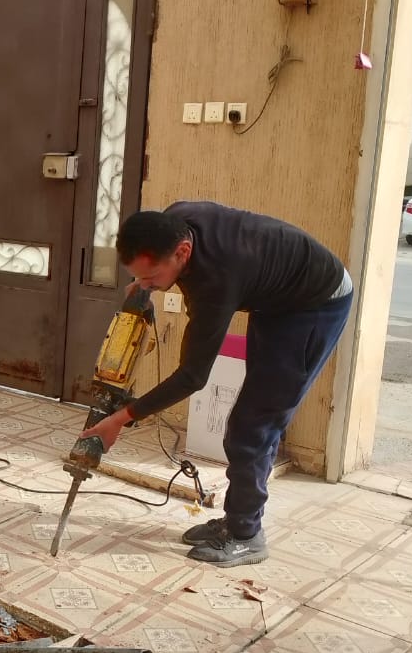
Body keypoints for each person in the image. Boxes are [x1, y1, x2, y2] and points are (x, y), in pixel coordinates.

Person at [81, 201, 353, 567]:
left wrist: (121, 419)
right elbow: (168, 268)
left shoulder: (217, 278)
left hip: (315, 304)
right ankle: (237, 520)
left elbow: (193, 376)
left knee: (253, 425)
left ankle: (246, 535)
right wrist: (146, 286)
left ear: (182, 252)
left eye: (151, 277)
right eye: (138, 277)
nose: (145, 284)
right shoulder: (176, 220)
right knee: (251, 420)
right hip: (278, 297)